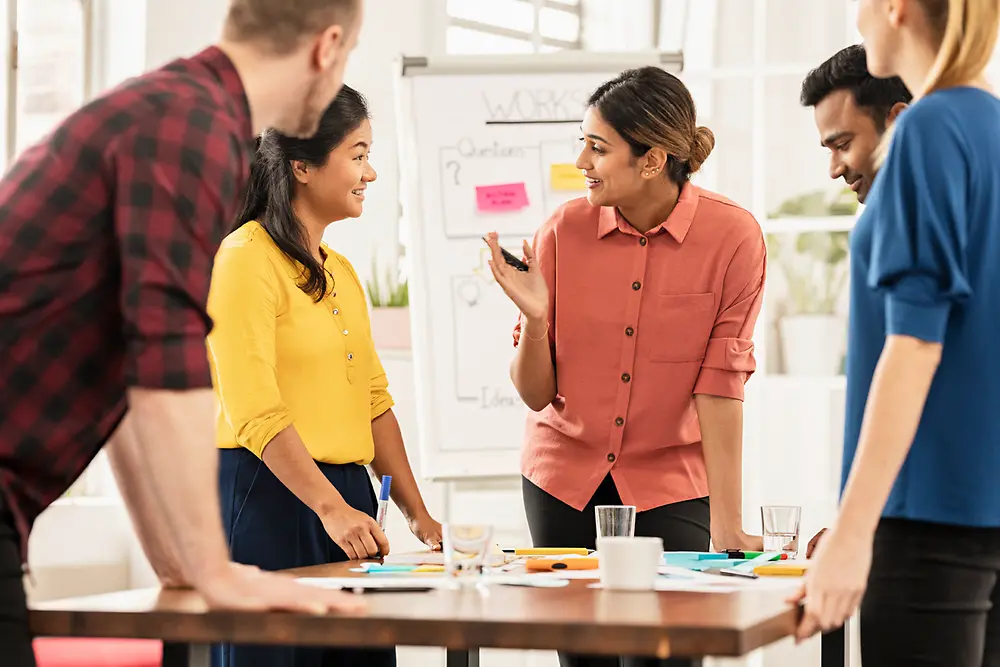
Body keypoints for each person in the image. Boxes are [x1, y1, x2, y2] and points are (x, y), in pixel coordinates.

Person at [0, 1, 369, 664]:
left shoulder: (177, 113)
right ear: (328, 46)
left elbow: (127, 371)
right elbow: (167, 366)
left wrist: (177, 563)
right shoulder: (192, 129)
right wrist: (214, 567)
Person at [485, 66, 766, 667]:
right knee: (585, 656)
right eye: (582, 140)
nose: (581, 159)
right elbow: (536, 396)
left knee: (668, 655)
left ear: (652, 159)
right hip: (563, 481)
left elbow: (721, 384)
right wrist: (535, 322)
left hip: (671, 484)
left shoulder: (732, 237)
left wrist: (730, 522)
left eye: (598, 146)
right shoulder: (562, 230)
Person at [792, 1, 1000, 665]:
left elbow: (913, 344)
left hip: (925, 519)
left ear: (897, 8)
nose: (857, 21)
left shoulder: (928, 128)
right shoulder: (992, 124)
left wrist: (854, 532)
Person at [207, 86, 442, 667]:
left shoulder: (341, 271)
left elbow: (373, 399)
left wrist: (420, 516)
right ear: (303, 167)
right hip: (270, 495)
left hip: (349, 500)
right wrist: (328, 508)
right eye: (359, 154)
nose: (372, 172)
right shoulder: (244, 259)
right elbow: (255, 411)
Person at [798, 44, 911, 559]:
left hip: (909, 519)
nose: (834, 168)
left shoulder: (901, 214)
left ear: (899, 122)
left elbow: (909, 364)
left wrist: (854, 525)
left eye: (842, 144)